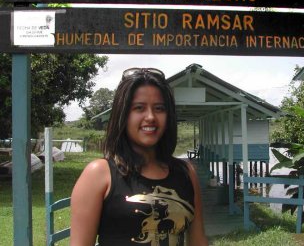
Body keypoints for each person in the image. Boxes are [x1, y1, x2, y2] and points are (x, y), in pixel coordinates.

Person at [71, 67, 208, 246]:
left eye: (159, 108)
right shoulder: (99, 174)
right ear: (123, 115)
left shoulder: (186, 173)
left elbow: (199, 241)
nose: (150, 117)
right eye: (139, 108)